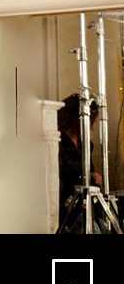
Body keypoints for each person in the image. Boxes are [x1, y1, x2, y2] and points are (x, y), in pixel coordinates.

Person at [57, 94, 101, 232]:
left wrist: (94, 176)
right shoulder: (58, 142)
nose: (92, 127)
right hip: (63, 205)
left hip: (83, 206)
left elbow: (89, 171)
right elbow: (61, 174)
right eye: (92, 121)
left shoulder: (86, 145)